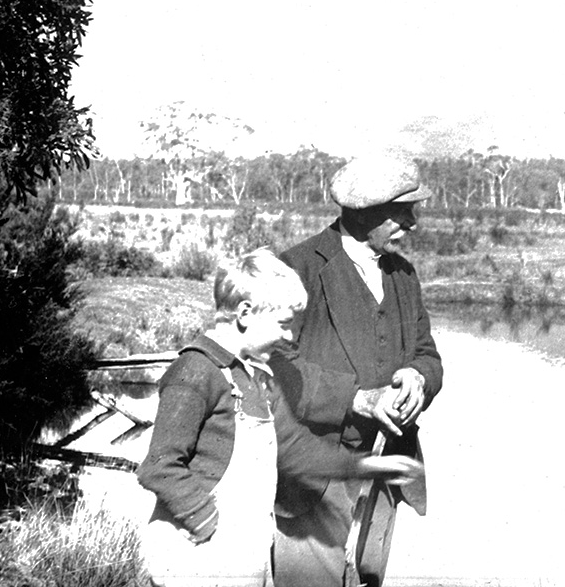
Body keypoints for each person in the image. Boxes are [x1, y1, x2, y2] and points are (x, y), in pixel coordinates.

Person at [137, 248, 424, 587]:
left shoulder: (260, 378)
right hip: (195, 554)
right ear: (245, 313)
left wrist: (365, 467)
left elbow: (297, 452)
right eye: (283, 324)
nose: (289, 337)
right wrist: (206, 521)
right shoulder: (196, 371)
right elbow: (160, 466)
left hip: (240, 556)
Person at [272, 154, 444, 587]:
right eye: (402, 212)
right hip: (317, 477)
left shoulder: (402, 274)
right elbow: (275, 367)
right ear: (365, 213)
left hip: (385, 470)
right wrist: (357, 398)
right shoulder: (296, 268)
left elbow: (426, 352)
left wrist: (419, 377)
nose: (413, 223)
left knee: (367, 580)